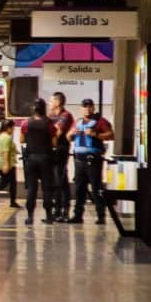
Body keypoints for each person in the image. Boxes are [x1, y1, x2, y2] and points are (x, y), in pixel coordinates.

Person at [65, 98, 115, 225]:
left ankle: (101, 215)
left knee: (96, 188)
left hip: (93, 160)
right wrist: (71, 134)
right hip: (79, 160)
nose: (87, 109)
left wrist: (95, 134)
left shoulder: (100, 122)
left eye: (89, 106)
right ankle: (77, 215)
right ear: (81, 108)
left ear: (93, 108)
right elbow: (68, 137)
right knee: (79, 189)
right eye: (84, 106)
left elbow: (111, 135)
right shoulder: (78, 122)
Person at [19, 101, 57, 226]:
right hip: (46, 157)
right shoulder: (49, 123)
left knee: (31, 188)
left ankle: (30, 216)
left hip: (31, 158)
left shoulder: (26, 122)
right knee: (47, 187)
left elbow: (22, 139)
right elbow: (54, 143)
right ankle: (48, 215)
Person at [48, 92, 74, 222]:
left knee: (59, 180)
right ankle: (59, 209)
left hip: (61, 150)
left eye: (51, 101)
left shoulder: (66, 116)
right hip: (52, 151)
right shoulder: (51, 116)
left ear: (58, 102)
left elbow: (57, 133)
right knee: (58, 181)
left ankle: (61, 210)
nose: (49, 104)